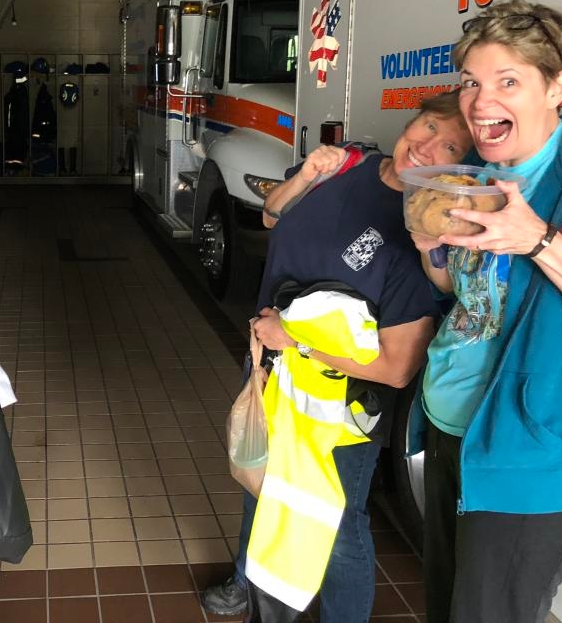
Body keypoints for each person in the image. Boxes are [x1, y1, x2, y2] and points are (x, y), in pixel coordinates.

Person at [200, 92, 472, 622]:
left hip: (338, 404)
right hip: (270, 368)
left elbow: (396, 368)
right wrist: (308, 175)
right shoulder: (348, 164)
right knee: (258, 481)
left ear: (461, 168)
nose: (427, 146)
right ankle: (245, 579)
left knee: (341, 521)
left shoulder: (420, 233)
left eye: (451, 146)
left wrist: (296, 340)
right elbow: (274, 216)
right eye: (428, 126)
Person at [410, 0, 562, 623]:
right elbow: (469, 297)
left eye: (508, 81)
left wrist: (538, 241)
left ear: (559, 86)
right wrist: (435, 252)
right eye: (473, 82)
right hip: (453, 433)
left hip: (528, 453)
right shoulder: (478, 173)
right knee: (447, 608)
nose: (480, 101)